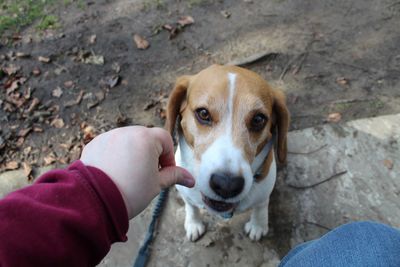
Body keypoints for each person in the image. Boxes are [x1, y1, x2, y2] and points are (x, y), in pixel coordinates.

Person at [0, 126, 400, 267]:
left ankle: (258, 215)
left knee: (261, 198)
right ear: (177, 118)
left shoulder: (264, 171)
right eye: (205, 116)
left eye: (257, 121)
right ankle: (194, 215)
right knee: (371, 243)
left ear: (277, 129)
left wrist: (99, 194)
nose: (226, 176)